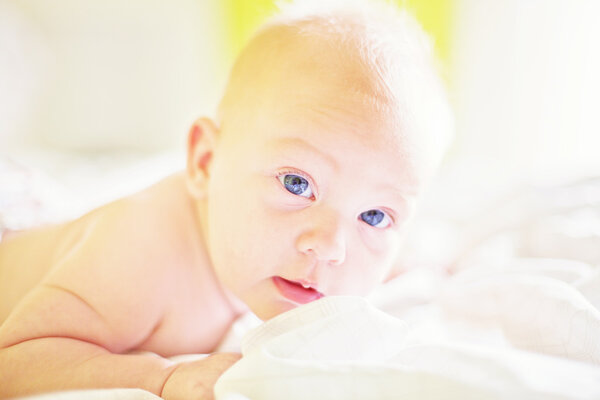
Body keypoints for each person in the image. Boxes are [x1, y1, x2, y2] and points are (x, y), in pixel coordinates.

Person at [0, 0, 453, 398]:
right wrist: (158, 377)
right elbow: (11, 364)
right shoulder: (139, 255)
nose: (331, 246)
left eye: (373, 215)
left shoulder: (313, 248)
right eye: (297, 184)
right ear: (205, 162)